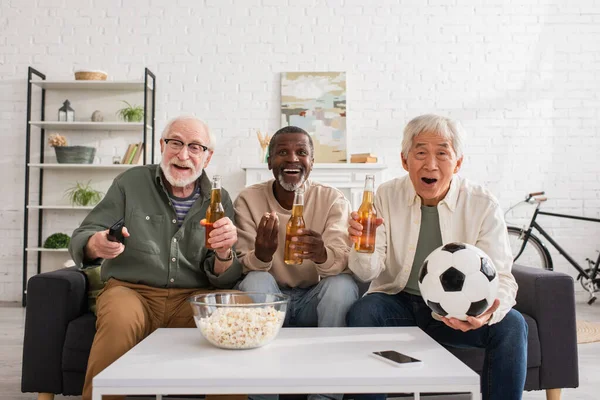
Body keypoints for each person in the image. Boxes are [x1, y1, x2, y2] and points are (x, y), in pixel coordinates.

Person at [345, 114, 527, 400]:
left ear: (457, 163)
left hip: (459, 311)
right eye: (420, 153)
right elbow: (366, 273)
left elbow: (502, 276)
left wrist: (485, 314)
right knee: (363, 311)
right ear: (405, 161)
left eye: (442, 153)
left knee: (513, 325)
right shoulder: (386, 195)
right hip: (399, 302)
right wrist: (360, 246)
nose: (430, 164)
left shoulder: (482, 203)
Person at [69, 115, 244, 400]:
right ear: (162, 145)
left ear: (207, 158)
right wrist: (96, 244)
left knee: (232, 319)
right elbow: (83, 235)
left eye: (195, 147)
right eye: (175, 142)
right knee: (119, 320)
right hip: (131, 291)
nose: (183, 154)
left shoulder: (219, 198)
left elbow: (224, 274)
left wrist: (224, 252)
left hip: (193, 299)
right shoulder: (131, 182)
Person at [234, 126, 358, 400]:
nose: (292, 159)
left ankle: (325, 395)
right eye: (282, 152)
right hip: (270, 299)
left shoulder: (332, 199)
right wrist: (262, 256)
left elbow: (343, 258)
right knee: (254, 279)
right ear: (269, 162)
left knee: (342, 286)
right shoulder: (248, 199)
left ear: (312, 162)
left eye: (301, 153)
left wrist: (322, 254)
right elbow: (241, 263)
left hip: (313, 301)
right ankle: (263, 394)